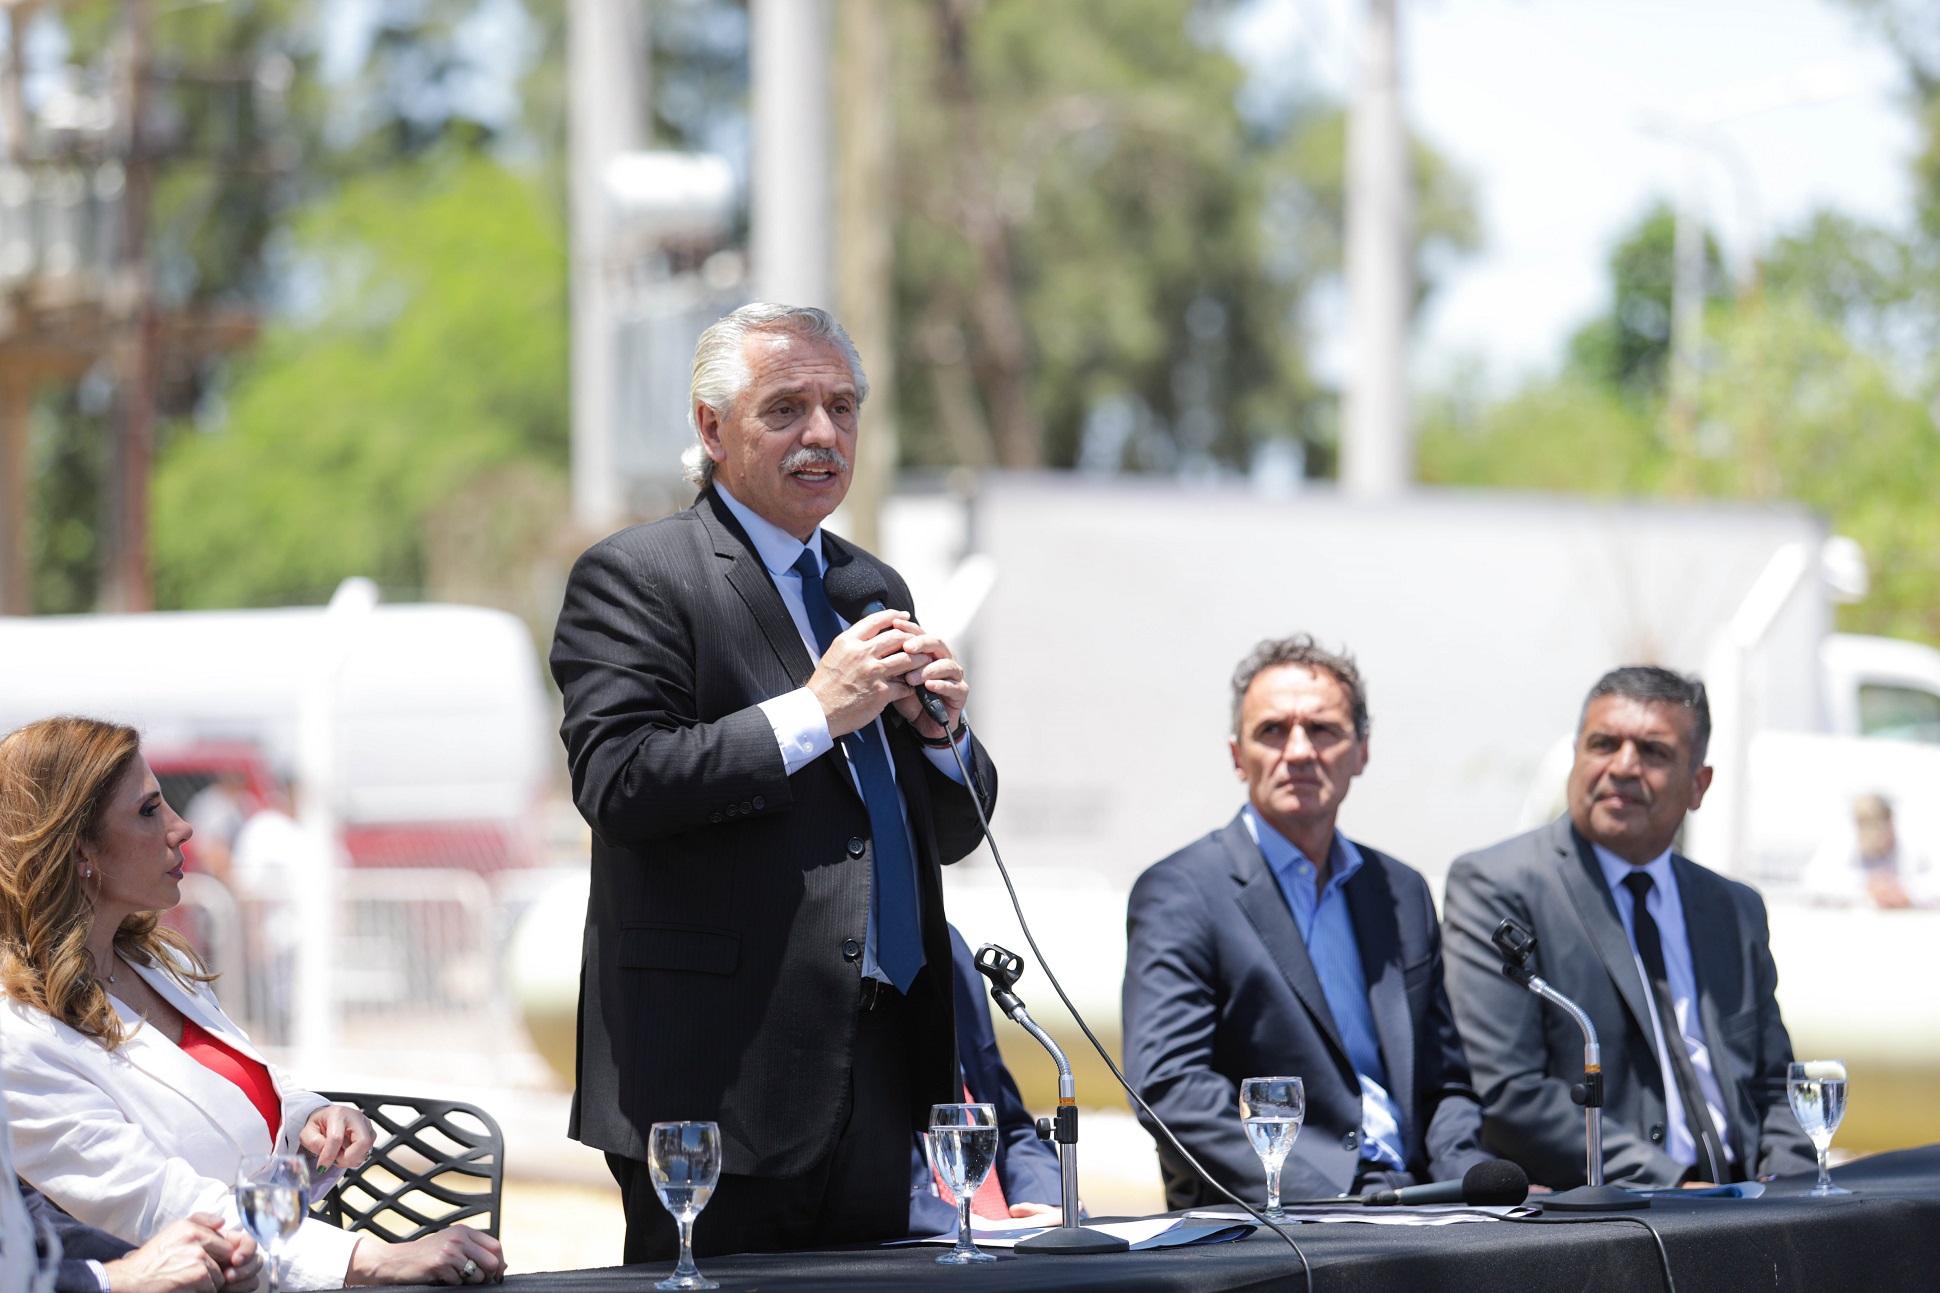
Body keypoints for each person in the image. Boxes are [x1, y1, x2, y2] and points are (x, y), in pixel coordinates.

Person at [549, 302, 997, 1261]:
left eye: (842, 406)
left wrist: (939, 735)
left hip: (879, 1066)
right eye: (786, 407)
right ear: (711, 429)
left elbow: (951, 832)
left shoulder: (872, 587)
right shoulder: (639, 577)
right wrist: (813, 711)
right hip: (720, 1084)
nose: (823, 433)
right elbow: (620, 781)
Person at [0, 717, 506, 1290]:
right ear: (78, 850)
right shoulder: (20, 1039)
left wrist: (311, 1115)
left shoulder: (151, 962)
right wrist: (369, 1258)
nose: (183, 827)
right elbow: (160, 1204)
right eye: (148, 811)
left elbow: (245, 1083)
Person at [1122, 636, 1489, 1209]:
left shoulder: (1401, 891)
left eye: (1323, 730)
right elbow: (1170, 1088)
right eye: (1272, 730)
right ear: (1237, 755)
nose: (1298, 751)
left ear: (1361, 751)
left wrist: (1472, 1184)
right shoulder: (1182, 890)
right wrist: (1318, 1201)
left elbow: (1443, 1084)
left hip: (1420, 1201)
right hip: (1280, 1216)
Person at [1442, 666, 1816, 1189]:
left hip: (1747, 1206)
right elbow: (1512, 1092)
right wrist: (1674, 1186)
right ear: (1576, 758)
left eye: (1653, 752)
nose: (1622, 767)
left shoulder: (1733, 908)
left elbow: (1777, 1086)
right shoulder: (1500, 886)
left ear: (1698, 785)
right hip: (1617, 1219)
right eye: (1603, 744)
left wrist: (1790, 1190)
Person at [907, 927, 1062, 1235]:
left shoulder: (945, 942)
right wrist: (953, 1223)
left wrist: (1048, 1198)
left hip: (1008, 1237)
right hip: (909, 1244)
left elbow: (1008, 1120)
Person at [1802, 793, 1939, 909]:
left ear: (1890, 821)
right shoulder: (1844, 839)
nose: (1869, 833)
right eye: (1862, 824)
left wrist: (1908, 893)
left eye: (1874, 824)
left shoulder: (1916, 838)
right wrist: (1865, 885)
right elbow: (1812, 881)